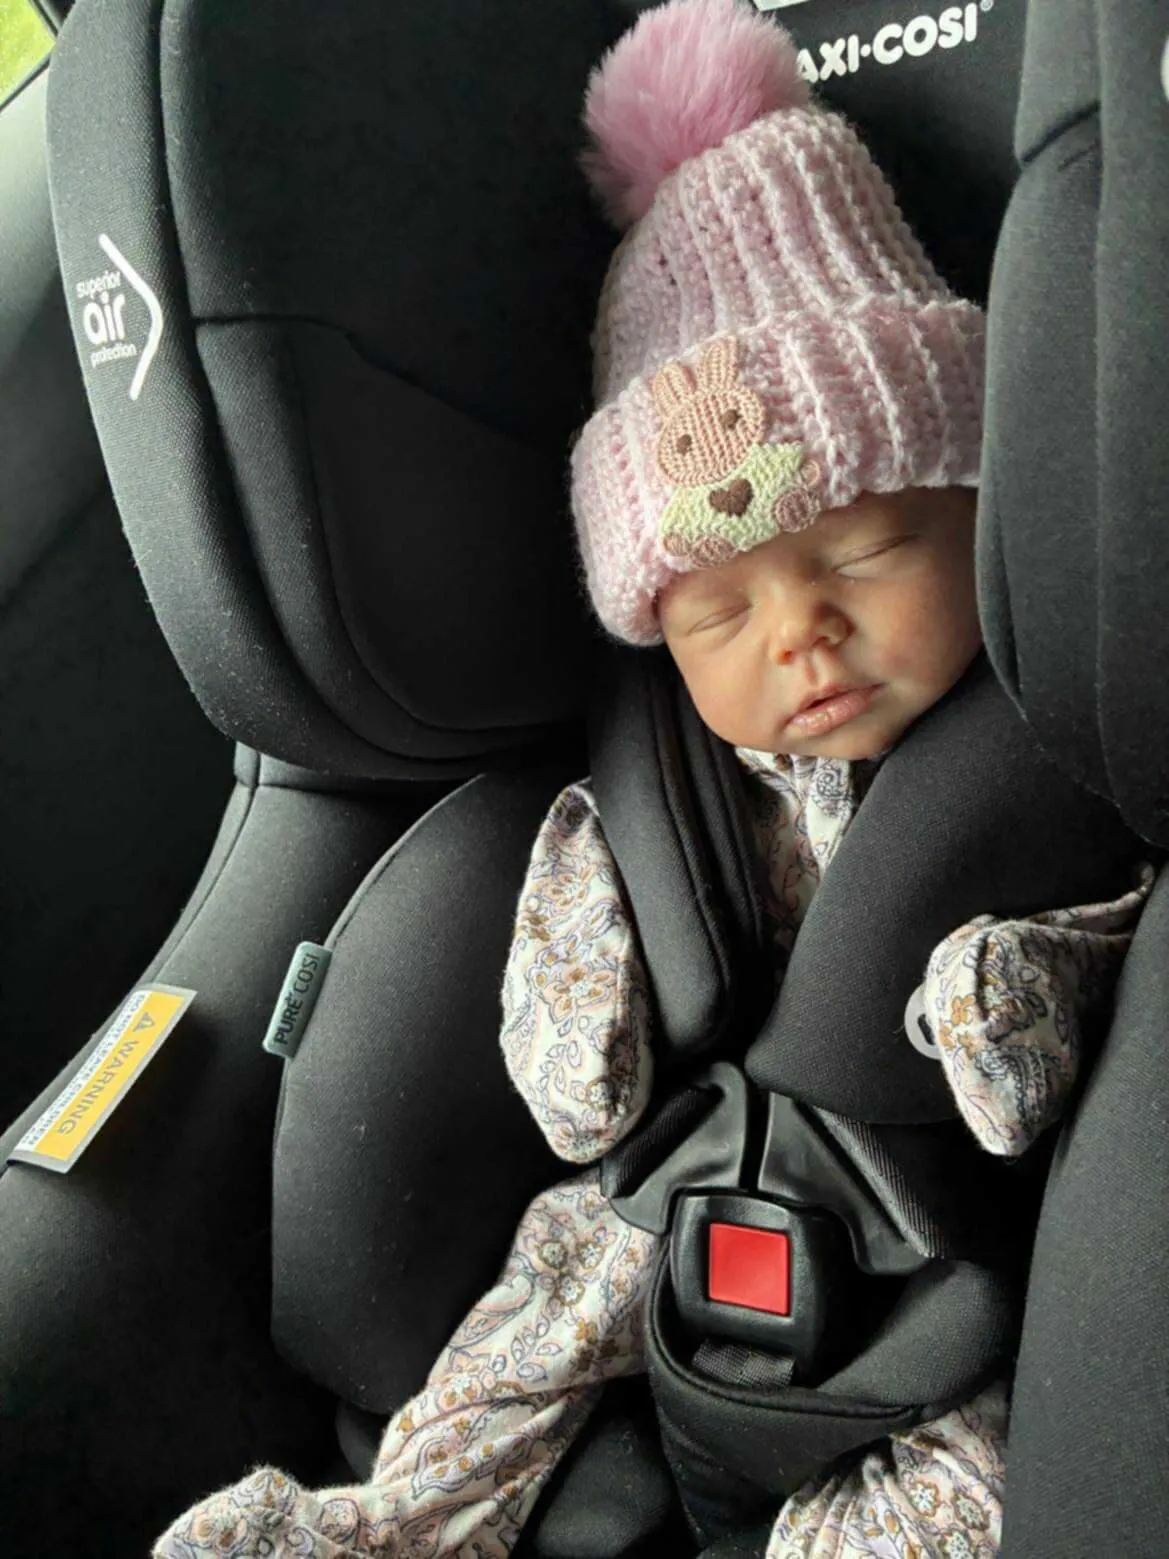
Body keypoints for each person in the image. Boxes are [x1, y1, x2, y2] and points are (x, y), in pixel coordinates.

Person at [154, 3, 1149, 1555]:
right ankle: (407, 1517)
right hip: (661, 1184)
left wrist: (1002, 985)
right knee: (518, 1339)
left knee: (961, 1478)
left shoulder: (1059, 748)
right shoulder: (667, 770)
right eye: (721, 609)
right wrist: (584, 1028)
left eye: (866, 550)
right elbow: (578, 950)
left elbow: (1099, 935)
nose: (800, 634)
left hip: (936, 1240)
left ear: (977, 510)